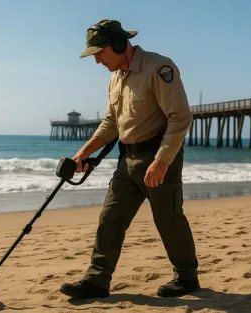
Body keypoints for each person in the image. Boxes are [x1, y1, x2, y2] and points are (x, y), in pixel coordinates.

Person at [59, 19, 199, 299]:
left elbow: (180, 117)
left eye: (100, 53)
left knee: (168, 219)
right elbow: (110, 123)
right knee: (109, 218)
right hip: (128, 160)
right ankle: (96, 282)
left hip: (158, 157)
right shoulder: (115, 79)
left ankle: (186, 278)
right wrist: (83, 153)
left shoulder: (158, 67)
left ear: (120, 44)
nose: (97, 61)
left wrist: (162, 161)